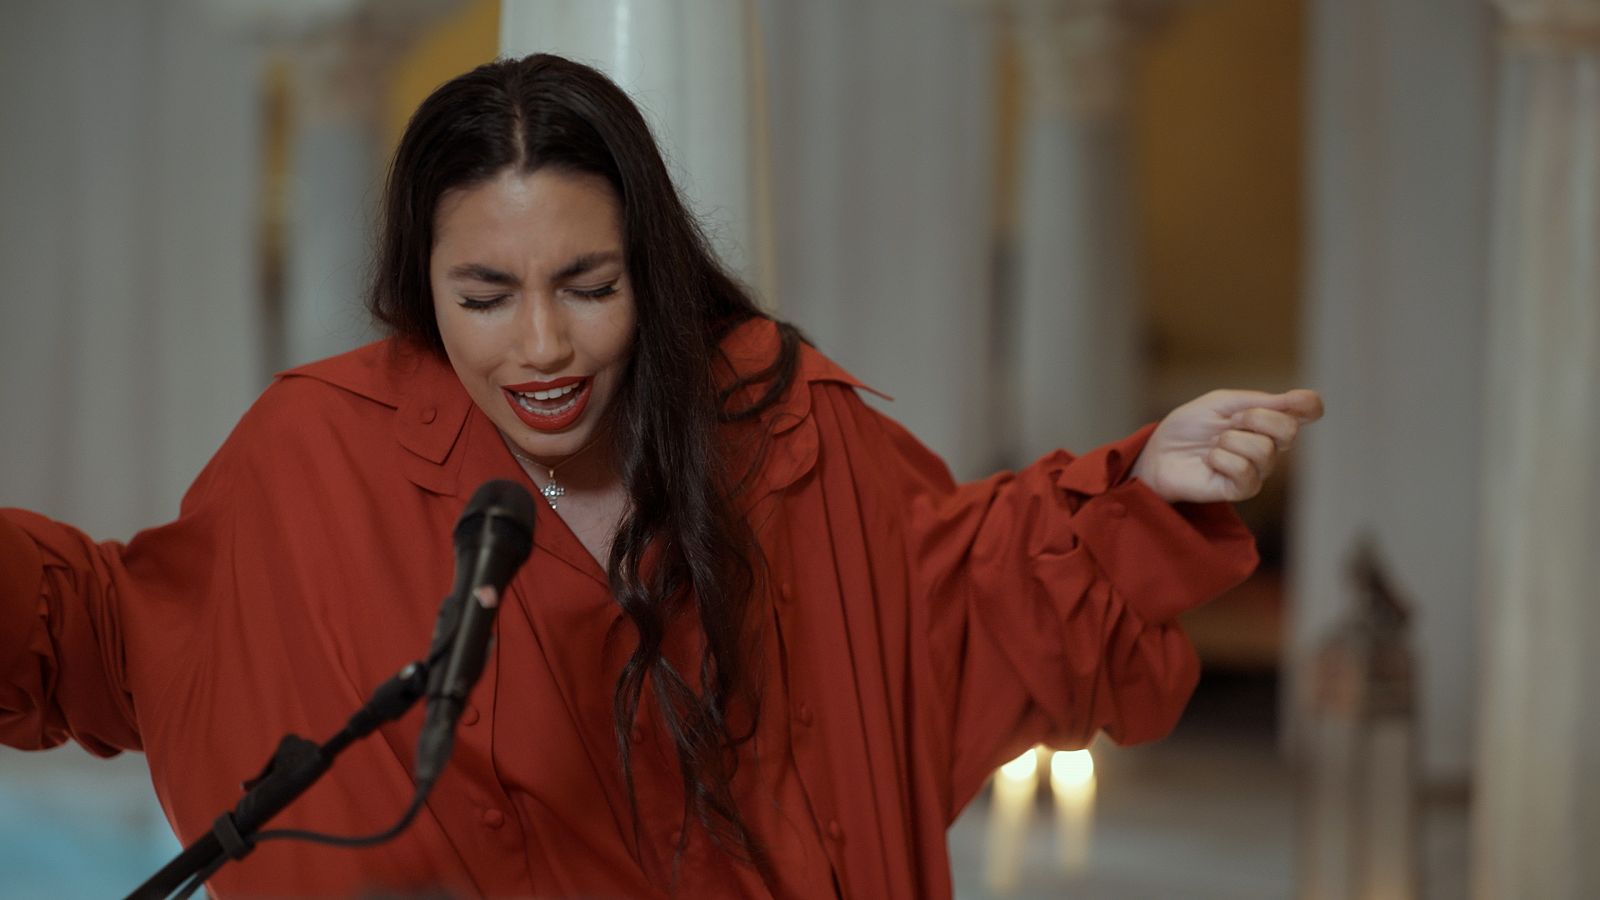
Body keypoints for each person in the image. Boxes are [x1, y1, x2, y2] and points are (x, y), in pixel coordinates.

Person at [0, 54, 1322, 898]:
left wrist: (1145, 488)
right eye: (484, 296)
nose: (541, 347)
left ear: (653, 266)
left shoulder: (778, 428)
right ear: (420, 286)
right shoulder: (318, 450)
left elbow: (955, 592)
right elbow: (130, 631)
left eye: (589, 286)